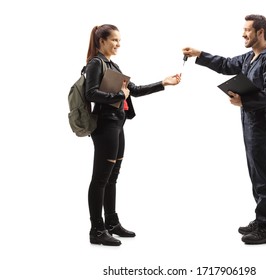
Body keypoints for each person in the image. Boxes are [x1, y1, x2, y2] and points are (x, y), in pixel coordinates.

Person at [183, 14, 266, 245]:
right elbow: (226, 64)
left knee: (265, 173)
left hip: (262, 123)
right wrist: (200, 54)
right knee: (256, 171)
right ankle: (261, 220)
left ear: (260, 32)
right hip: (249, 122)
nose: (243, 34)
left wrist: (245, 102)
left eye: (247, 30)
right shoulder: (250, 57)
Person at [84, 24, 181, 246]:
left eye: (119, 40)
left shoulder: (113, 65)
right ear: (101, 41)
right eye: (114, 40)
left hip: (118, 125)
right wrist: (119, 93)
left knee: (112, 177)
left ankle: (111, 223)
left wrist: (164, 83)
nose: (118, 44)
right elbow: (91, 94)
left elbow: (133, 90)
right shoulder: (95, 64)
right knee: (100, 179)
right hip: (105, 127)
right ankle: (96, 230)